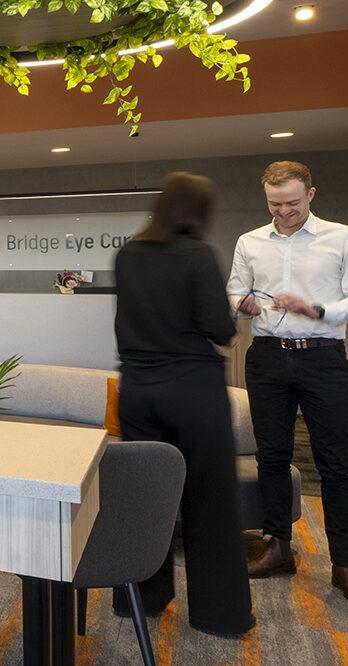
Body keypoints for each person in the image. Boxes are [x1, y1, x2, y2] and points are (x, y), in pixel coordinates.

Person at [228, 160, 348, 607]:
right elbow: (235, 291)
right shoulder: (250, 241)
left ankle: (346, 564)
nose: (284, 211)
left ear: (311, 194)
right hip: (267, 359)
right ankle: (277, 547)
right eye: (275, 204)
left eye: (292, 203)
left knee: (336, 463)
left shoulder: (346, 237)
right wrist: (243, 305)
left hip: (323, 359)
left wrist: (316, 310)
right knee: (271, 458)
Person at [110, 172, 253, 636]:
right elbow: (218, 327)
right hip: (193, 392)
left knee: (143, 497)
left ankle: (141, 601)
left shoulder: (127, 255)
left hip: (137, 391)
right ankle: (220, 615)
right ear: (198, 213)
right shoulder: (198, 255)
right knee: (210, 500)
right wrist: (234, 323)